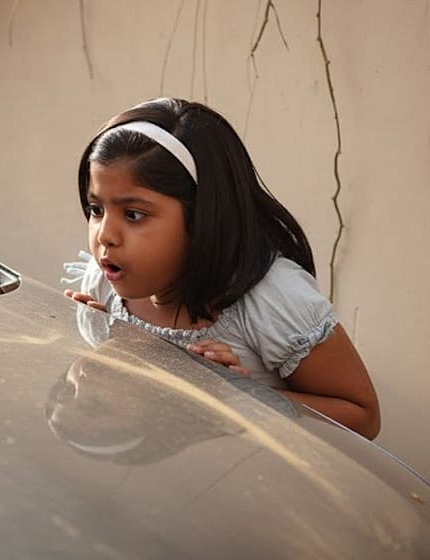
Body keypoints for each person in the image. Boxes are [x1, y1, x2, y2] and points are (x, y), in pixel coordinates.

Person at [62, 97, 380, 439]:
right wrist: (103, 348)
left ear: (203, 218)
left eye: (134, 215)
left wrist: (233, 397)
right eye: (95, 209)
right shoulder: (105, 281)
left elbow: (362, 417)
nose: (105, 236)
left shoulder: (271, 301)